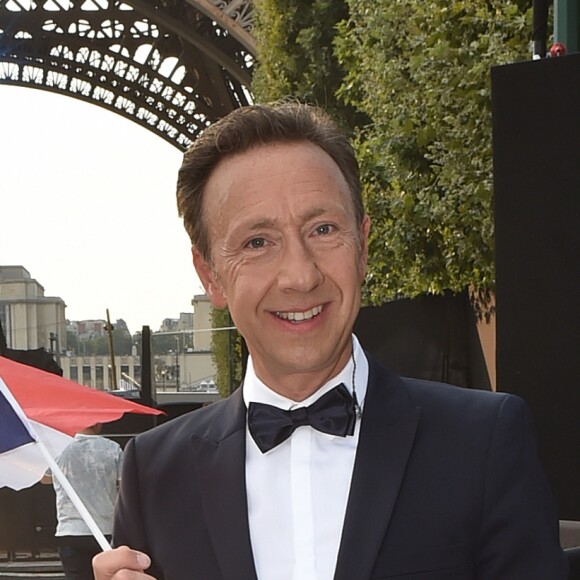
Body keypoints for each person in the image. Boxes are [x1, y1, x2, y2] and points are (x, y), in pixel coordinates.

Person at [93, 102, 568, 579]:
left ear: (362, 246)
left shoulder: (484, 444)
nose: (300, 275)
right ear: (210, 275)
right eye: (257, 242)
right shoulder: (154, 473)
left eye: (323, 230)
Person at [42, 423, 122, 580]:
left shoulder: (59, 449)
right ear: (98, 423)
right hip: (105, 529)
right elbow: (124, 481)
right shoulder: (112, 448)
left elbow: (44, 479)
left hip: (70, 529)